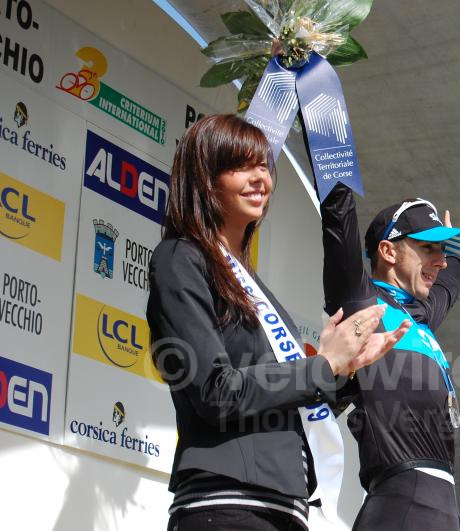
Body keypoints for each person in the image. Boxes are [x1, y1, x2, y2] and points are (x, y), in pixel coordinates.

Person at [147, 114, 409, 531]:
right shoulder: (180, 258)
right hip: (227, 504)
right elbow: (217, 392)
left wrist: (345, 371)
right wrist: (322, 366)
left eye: (265, 166)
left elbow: (287, 399)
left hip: (285, 506)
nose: (260, 179)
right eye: (240, 166)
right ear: (203, 177)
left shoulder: (250, 283)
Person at [319, 183, 460, 530]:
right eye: (428, 248)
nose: (441, 260)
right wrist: (330, 155)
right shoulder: (363, 304)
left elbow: (448, 285)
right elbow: (338, 224)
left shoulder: (418, 315)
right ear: (387, 251)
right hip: (401, 505)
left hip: (443, 508)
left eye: (444, 250)